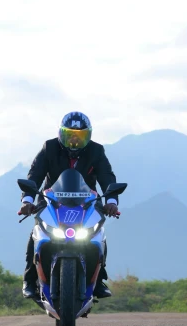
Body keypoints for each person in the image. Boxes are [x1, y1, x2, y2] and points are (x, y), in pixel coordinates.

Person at [18, 112, 120, 300]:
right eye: (69, 134)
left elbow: (107, 177)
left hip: (87, 203)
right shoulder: (49, 147)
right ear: (61, 134)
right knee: (36, 234)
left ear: (88, 136)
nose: (74, 140)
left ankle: (98, 280)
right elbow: (35, 175)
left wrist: (111, 202)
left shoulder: (96, 151)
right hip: (52, 202)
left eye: (79, 136)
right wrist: (27, 201)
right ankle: (29, 279)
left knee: (99, 235)